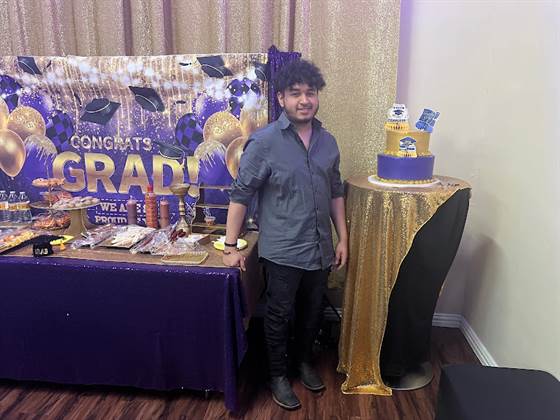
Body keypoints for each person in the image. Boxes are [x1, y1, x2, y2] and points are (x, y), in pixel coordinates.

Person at [223, 59, 348, 410]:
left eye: (310, 92)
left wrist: (343, 238)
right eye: (295, 93)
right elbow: (241, 195)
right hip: (282, 249)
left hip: (320, 247)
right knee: (278, 314)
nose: (304, 100)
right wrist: (230, 246)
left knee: (312, 311)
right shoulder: (263, 142)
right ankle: (278, 375)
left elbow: (335, 191)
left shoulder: (328, 142)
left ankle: (304, 362)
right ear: (281, 98)